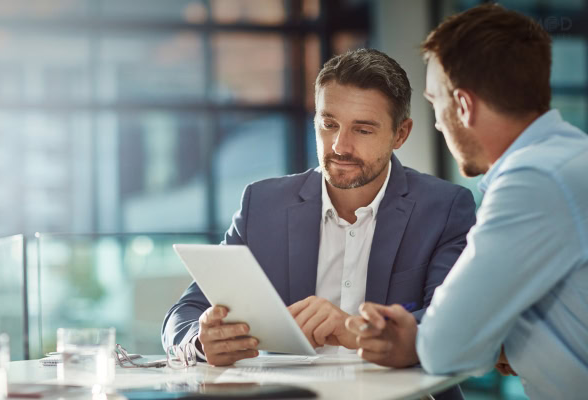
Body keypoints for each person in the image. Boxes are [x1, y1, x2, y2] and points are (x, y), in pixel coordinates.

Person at [161, 49, 476, 373]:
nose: (340, 145)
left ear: (400, 133)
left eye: (362, 130)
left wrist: (353, 330)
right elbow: (184, 313)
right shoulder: (263, 204)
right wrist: (201, 341)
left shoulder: (444, 208)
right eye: (329, 124)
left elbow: (451, 322)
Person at [346, 4, 588, 399]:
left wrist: (421, 339)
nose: (438, 122)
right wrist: (501, 342)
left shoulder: (533, 180)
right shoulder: (567, 158)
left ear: (463, 105)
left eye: (435, 103)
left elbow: (446, 347)